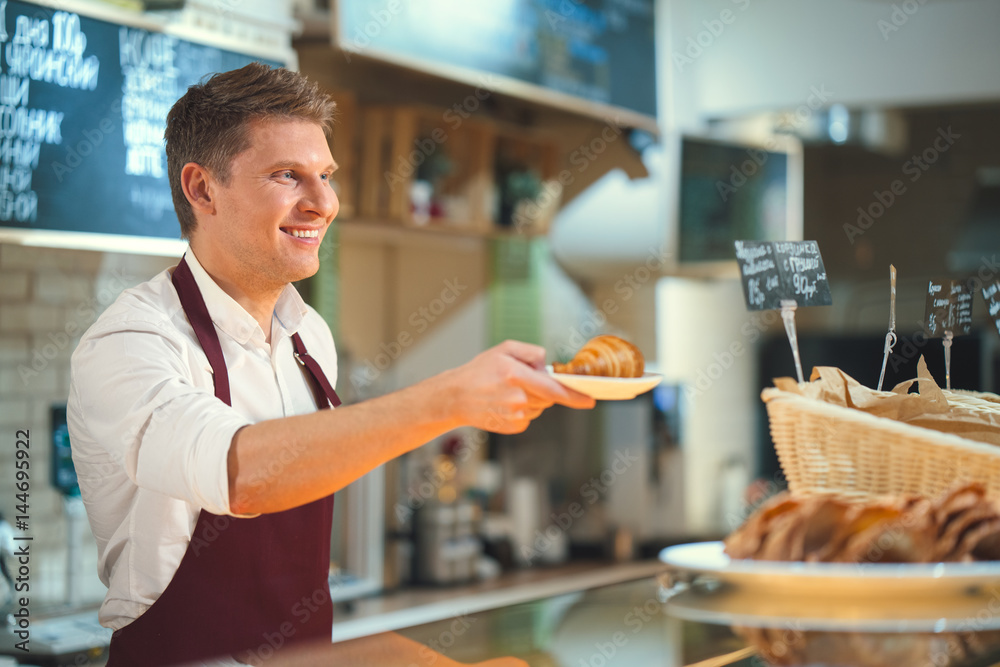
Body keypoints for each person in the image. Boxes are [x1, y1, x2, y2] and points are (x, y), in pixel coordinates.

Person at [67, 63, 594, 666]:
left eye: (325, 176)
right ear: (202, 189)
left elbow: (291, 637)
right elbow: (241, 474)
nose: (323, 203)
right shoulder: (131, 341)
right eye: (287, 176)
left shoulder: (308, 337)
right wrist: (451, 398)